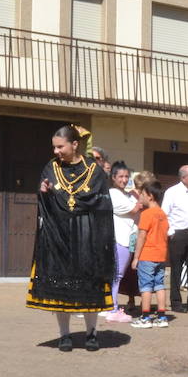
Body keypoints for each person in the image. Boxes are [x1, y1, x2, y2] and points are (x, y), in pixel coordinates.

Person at [26, 125, 114, 351]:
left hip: (85, 232)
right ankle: (64, 335)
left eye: (60, 146)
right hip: (57, 234)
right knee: (61, 285)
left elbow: (102, 203)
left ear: (74, 145)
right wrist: (44, 191)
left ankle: (91, 333)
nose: (56, 151)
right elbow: (44, 196)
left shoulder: (94, 170)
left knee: (88, 286)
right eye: (54, 147)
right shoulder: (51, 167)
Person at [162, 165, 188, 313]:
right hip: (178, 235)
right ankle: (176, 302)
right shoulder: (172, 192)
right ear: (183, 177)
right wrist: (171, 232)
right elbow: (164, 214)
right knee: (176, 269)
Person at [130, 179, 170, 329]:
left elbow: (141, 236)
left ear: (150, 196)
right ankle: (162, 316)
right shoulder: (162, 214)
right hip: (160, 255)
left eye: (142, 194)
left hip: (147, 255)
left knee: (145, 286)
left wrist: (136, 257)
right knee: (159, 285)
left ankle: (145, 317)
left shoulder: (147, 214)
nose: (140, 196)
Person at [104, 161, 140, 323]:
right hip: (120, 239)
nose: (124, 180)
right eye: (121, 176)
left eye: (126, 176)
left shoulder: (127, 194)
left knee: (118, 275)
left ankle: (111, 306)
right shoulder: (113, 194)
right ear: (113, 178)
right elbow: (134, 210)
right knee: (117, 275)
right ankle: (112, 308)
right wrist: (143, 197)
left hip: (128, 239)